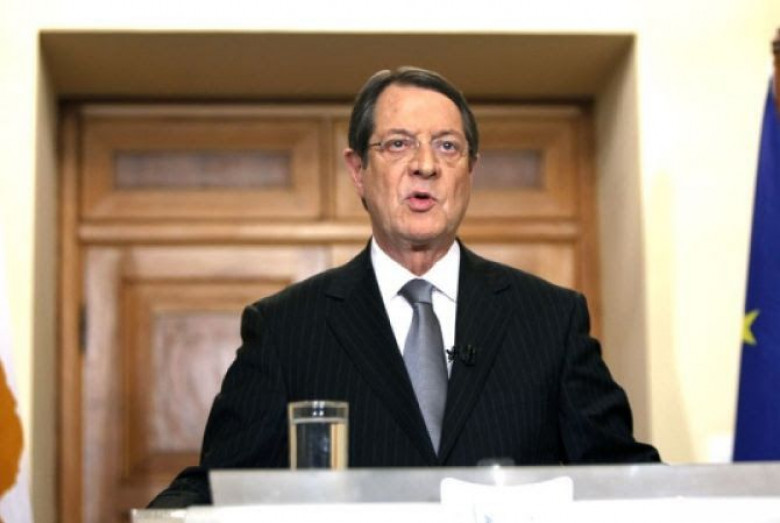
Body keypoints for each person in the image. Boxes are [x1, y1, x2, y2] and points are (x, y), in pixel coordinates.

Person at [148, 66, 660, 508]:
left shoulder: (550, 319)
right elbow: (219, 487)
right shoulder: (285, 328)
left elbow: (623, 478)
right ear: (358, 171)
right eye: (398, 144)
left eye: (447, 146)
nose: (425, 165)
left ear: (470, 172)